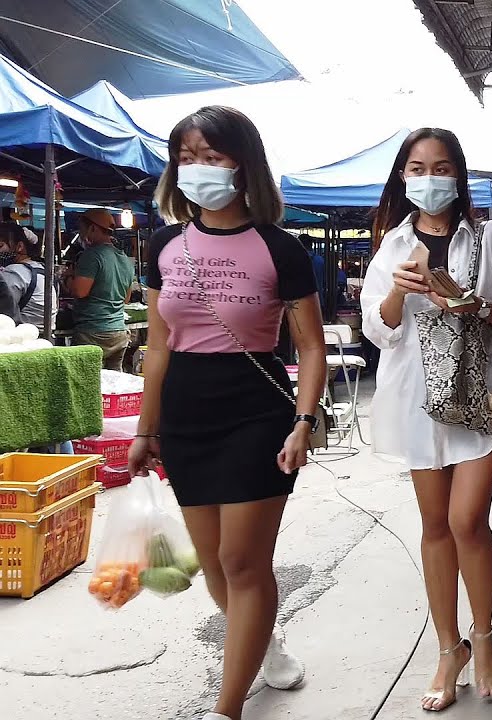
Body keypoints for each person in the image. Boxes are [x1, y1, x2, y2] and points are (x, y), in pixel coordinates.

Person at [126, 106, 327, 720]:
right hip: (186, 417)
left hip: (257, 415)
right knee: (213, 563)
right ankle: (264, 646)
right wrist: (145, 429)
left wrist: (302, 419)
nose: (198, 168)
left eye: (212, 156)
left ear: (244, 165)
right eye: (186, 157)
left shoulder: (280, 248)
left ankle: (228, 707)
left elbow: (313, 345)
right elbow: (158, 347)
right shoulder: (164, 243)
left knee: (244, 561)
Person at [361, 128, 492, 713]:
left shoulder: (488, 238)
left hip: (480, 398)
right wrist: (396, 296)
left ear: (458, 176)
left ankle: (482, 639)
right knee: (435, 525)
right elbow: (378, 331)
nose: (428, 179)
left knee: (467, 521)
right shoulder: (392, 246)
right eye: (416, 168)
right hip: (416, 399)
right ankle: (447, 649)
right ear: (403, 177)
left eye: (439, 168)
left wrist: (469, 301)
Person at [69, 208, 133, 369]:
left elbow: (80, 291)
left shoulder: (92, 255)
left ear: (92, 228)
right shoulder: (125, 259)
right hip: (118, 332)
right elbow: (126, 299)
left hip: (93, 333)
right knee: (114, 385)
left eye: (82, 229)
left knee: (86, 384)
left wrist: (68, 277)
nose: (81, 234)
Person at [0, 224, 51, 331]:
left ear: (20, 246)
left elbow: (4, 309)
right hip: (45, 333)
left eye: (0, 246)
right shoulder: (43, 268)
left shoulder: (14, 272)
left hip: (22, 337)